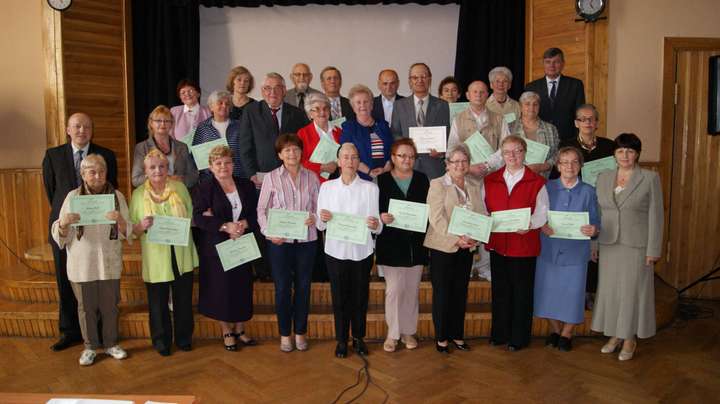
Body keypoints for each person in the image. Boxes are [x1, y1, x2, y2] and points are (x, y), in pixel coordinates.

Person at [42, 112, 118, 352]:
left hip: (97, 231)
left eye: (86, 126)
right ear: (68, 129)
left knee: (95, 280)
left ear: (92, 130)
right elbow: (51, 190)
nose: (82, 130)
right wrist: (65, 219)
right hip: (65, 227)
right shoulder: (53, 156)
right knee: (66, 281)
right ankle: (69, 331)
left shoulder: (106, 155)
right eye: (77, 126)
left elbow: (110, 188)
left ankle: (96, 334)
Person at [51, 154, 129, 366]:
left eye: (101, 171)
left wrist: (120, 220)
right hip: (82, 262)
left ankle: (112, 343)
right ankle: (90, 347)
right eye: (92, 172)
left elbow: (128, 232)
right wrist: (64, 223)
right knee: (86, 308)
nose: (97, 176)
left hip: (108, 261)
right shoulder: (72, 197)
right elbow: (58, 232)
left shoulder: (117, 197)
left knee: (110, 306)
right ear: (83, 174)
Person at [592, 133, 663, 361]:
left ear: (637, 154)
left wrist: (653, 250)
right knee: (611, 292)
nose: (625, 155)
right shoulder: (603, 177)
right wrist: (594, 243)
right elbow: (598, 213)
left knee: (632, 293)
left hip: (636, 246)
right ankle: (614, 335)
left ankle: (629, 338)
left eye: (630, 151)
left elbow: (656, 216)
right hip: (609, 243)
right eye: (621, 150)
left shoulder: (649, 179)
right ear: (614, 153)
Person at [129, 149, 199, 356]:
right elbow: (132, 229)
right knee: (157, 302)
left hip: (181, 252)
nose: (157, 170)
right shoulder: (138, 194)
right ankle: (161, 341)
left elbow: (191, 216)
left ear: (168, 168)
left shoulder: (179, 188)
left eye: (161, 166)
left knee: (183, 299)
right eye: (152, 167)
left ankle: (184, 338)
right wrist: (141, 225)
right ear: (145, 171)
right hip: (156, 256)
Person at [316, 143, 382, 358]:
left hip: (362, 251)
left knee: (360, 296)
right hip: (335, 251)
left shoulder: (371, 188)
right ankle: (342, 340)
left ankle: (359, 338)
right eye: (346, 157)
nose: (350, 161)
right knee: (339, 298)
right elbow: (319, 224)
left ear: (358, 161)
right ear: (339, 161)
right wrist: (322, 218)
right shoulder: (327, 187)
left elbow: (378, 224)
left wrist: (375, 224)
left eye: (354, 157)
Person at [484, 135, 548, 351]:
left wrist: (530, 223)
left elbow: (542, 213)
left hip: (524, 245)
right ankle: (499, 333)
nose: (512, 155)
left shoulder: (537, 181)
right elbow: (485, 210)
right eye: (508, 152)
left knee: (522, 293)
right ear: (501, 155)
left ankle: (519, 337)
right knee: (500, 291)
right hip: (499, 244)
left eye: (517, 151)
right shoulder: (490, 180)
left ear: (525, 153)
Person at [257, 134, 320, 352]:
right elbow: (261, 210)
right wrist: (268, 232)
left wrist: (315, 218)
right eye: (287, 150)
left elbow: (318, 208)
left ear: (301, 152)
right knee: (282, 288)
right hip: (279, 242)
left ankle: (300, 332)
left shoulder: (312, 177)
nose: (292, 153)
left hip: (306, 241)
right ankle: (285, 334)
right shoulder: (271, 178)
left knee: (303, 287)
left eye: (295, 149)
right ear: (279, 155)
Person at [192, 146, 258, 352]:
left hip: (243, 243)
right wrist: (224, 226)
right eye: (218, 163)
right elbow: (199, 218)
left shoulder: (246, 185)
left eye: (227, 162)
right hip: (217, 247)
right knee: (221, 289)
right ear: (210, 167)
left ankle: (239, 328)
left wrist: (243, 224)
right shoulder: (204, 188)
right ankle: (226, 330)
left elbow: (258, 213)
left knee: (242, 286)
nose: (223, 167)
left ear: (233, 164)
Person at [533, 147, 599, 352]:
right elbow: (537, 215)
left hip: (576, 251)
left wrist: (594, 229)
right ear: (558, 166)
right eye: (564, 162)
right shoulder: (546, 187)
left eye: (574, 162)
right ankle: (554, 329)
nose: (569, 166)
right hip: (549, 249)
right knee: (547, 292)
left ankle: (567, 333)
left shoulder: (589, 190)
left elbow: (596, 221)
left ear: (580, 165)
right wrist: (541, 225)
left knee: (573, 293)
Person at [424, 143, 487, 353]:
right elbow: (436, 218)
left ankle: (457, 334)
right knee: (442, 293)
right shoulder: (438, 184)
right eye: (455, 161)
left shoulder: (474, 185)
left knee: (460, 292)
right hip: (443, 246)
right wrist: (456, 239)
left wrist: (476, 237)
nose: (460, 165)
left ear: (469, 164)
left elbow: (481, 214)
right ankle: (442, 337)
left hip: (466, 248)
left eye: (464, 161)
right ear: (447, 164)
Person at [556, 104, 615, 302]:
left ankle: (597, 292)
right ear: (576, 123)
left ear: (597, 123)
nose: (587, 123)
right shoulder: (567, 145)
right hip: (576, 202)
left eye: (591, 119)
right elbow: (558, 174)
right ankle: (582, 292)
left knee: (599, 247)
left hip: (605, 202)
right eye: (583, 119)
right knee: (582, 245)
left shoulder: (609, 146)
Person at [377, 138, 430, 352]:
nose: (407, 159)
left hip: (416, 245)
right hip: (390, 244)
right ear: (393, 157)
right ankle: (392, 333)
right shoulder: (381, 181)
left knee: (411, 290)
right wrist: (381, 216)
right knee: (394, 290)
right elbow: (374, 211)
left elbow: (428, 209)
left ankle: (408, 331)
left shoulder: (422, 179)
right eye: (402, 155)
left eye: (411, 156)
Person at [238, 72, 310, 189]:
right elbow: (245, 147)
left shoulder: (297, 114)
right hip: (262, 177)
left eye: (277, 88)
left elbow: (305, 145)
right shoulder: (251, 111)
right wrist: (251, 174)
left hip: (292, 176)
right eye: (268, 88)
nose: (273, 92)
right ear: (262, 91)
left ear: (284, 91)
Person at [392, 62, 450, 180]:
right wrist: (406, 151)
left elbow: (448, 134)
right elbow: (395, 133)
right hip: (407, 166)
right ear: (410, 82)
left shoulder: (442, 105)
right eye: (415, 77)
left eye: (423, 77)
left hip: (434, 166)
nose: (420, 80)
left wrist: (442, 152)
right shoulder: (399, 105)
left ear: (430, 79)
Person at [447, 80, 511, 178]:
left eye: (482, 92)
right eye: (475, 92)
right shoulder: (458, 119)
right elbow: (452, 147)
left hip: (492, 174)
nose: (478, 95)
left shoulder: (499, 119)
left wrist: (487, 165)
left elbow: (506, 147)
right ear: (468, 95)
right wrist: (468, 167)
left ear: (487, 95)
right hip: (466, 175)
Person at [525, 47, 585, 141]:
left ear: (563, 64)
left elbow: (580, 114)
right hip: (540, 139)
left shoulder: (575, 85)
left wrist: (579, 138)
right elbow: (526, 114)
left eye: (556, 62)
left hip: (567, 139)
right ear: (543, 64)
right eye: (548, 62)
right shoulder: (531, 87)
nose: (551, 66)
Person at [132, 105, 198, 188]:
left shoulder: (182, 147)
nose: (163, 124)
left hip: (178, 195)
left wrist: (181, 180)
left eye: (167, 121)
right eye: (158, 120)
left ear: (171, 124)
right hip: (152, 197)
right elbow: (136, 180)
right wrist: (163, 178)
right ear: (151, 123)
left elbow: (193, 176)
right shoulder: (141, 147)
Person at [340, 85, 394, 180]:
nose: (362, 105)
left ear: (372, 105)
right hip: (360, 178)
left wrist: (386, 168)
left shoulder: (383, 125)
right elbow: (347, 155)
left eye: (366, 102)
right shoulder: (349, 127)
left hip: (385, 176)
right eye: (358, 102)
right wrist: (369, 172)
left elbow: (392, 149)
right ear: (353, 107)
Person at [193, 90, 245, 179]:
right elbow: (195, 155)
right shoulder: (203, 127)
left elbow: (245, 152)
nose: (224, 106)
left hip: (236, 177)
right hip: (210, 179)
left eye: (227, 104)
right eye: (220, 103)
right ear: (211, 107)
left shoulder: (240, 126)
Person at [507, 91, 560, 177]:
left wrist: (543, 166)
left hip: (542, 180)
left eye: (535, 104)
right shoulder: (510, 128)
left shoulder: (550, 129)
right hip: (515, 179)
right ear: (520, 107)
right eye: (527, 104)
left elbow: (556, 153)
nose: (531, 108)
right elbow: (503, 152)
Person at [297, 93, 341, 182]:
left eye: (325, 108)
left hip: (338, 182)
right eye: (317, 109)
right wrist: (322, 167)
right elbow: (299, 161)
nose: (322, 112)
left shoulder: (339, 131)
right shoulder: (303, 133)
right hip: (314, 182)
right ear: (310, 114)